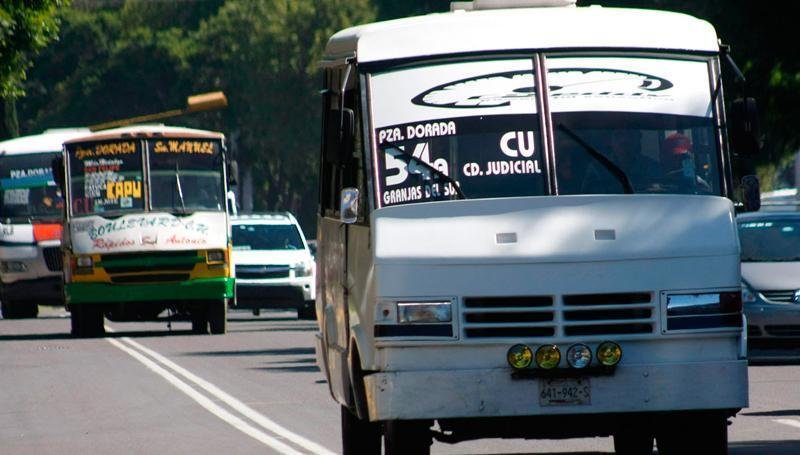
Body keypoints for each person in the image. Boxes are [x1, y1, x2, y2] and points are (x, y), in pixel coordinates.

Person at [581, 129, 659, 193]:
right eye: (618, 135)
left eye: (630, 136)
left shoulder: (652, 167)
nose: (624, 141)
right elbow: (587, 197)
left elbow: (660, 194)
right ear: (610, 141)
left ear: (638, 139)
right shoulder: (597, 168)